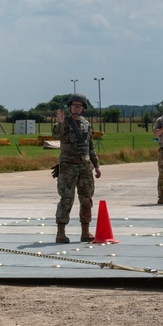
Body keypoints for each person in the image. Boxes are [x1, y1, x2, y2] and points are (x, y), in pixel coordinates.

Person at [52, 94, 101, 243]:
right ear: (70, 107)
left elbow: (90, 147)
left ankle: (85, 232)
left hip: (85, 167)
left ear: (83, 108)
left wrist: (97, 166)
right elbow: (56, 136)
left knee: (86, 199)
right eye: (74, 105)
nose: (76, 108)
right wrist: (59, 123)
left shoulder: (86, 124)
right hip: (68, 167)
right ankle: (61, 232)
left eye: (79, 106)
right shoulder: (64, 123)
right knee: (66, 199)